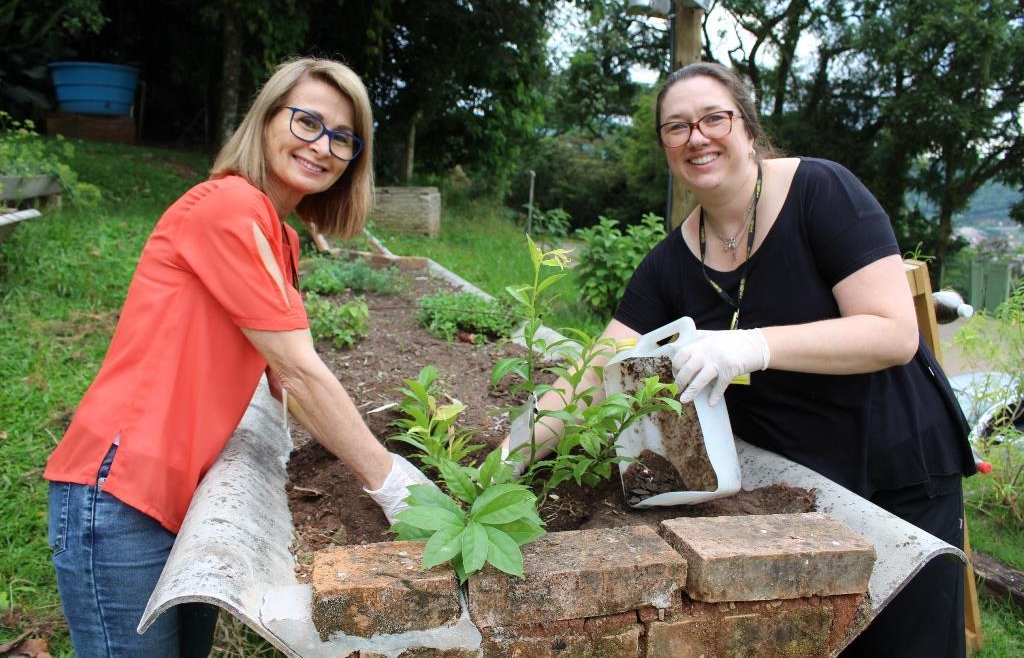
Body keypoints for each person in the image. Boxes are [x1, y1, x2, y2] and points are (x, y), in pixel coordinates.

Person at [502, 62, 976, 658]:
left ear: (747, 127)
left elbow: (891, 333)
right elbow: (598, 372)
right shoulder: (671, 263)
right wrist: (507, 457)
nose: (696, 137)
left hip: (895, 465)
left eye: (713, 118)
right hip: (799, 485)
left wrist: (753, 344)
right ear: (666, 148)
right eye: (676, 128)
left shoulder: (821, 192)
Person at [43, 57, 432, 657]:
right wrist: (391, 483)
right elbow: (301, 372)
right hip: (121, 490)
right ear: (266, 118)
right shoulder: (227, 207)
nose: (322, 146)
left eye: (343, 138)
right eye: (306, 122)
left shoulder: (280, 234)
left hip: (184, 488)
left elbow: (282, 377)